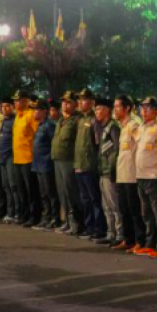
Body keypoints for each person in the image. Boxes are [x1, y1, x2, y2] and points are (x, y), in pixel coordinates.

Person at [135, 97, 157, 258]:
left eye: (148, 108)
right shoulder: (141, 128)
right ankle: (150, 243)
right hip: (140, 175)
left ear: (156, 111)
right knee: (146, 213)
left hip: (154, 176)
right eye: (143, 108)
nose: (144, 111)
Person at [113, 95, 146, 252]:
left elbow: (141, 147)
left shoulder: (134, 125)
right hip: (122, 174)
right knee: (124, 209)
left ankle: (140, 241)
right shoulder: (123, 126)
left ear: (127, 108)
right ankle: (128, 239)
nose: (115, 110)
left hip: (132, 175)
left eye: (117, 107)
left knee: (134, 210)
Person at [74, 88, 106, 240]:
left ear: (92, 102)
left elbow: (99, 144)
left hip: (90, 165)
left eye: (84, 100)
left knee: (94, 199)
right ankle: (89, 227)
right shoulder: (81, 120)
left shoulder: (95, 120)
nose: (80, 102)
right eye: (79, 100)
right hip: (79, 165)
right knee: (85, 199)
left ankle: (98, 228)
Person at [52, 91, 84, 235]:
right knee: (62, 193)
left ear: (75, 104)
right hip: (58, 159)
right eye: (63, 102)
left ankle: (76, 223)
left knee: (71, 193)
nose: (65, 104)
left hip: (69, 160)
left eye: (68, 102)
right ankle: (67, 222)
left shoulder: (77, 120)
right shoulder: (61, 120)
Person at [95, 98, 123, 246]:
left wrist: (112, 170)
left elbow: (116, 150)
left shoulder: (113, 127)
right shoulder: (103, 127)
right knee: (106, 206)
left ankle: (119, 235)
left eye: (99, 109)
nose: (96, 112)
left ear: (107, 110)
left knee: (114, 205)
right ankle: (110, 233)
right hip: (103, 171)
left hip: (110, 172)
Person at [11, 90, 41, 227]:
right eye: (15, 100)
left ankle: (34, 216)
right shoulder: (18, 116)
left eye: (18, 100)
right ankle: (24, 215)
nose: (15, 103)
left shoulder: (30, 115)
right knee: (21, 190)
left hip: (28, 158)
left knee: (31, 190)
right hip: (17, 158)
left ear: (25, 101)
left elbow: (37, 134)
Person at [31, 99, 60, 231]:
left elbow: (53, 144)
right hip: (38, 164)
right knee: (43, 193)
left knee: (51, 193)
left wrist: (49, 160)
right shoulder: (40, 125)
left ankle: (55, 218)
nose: (34, 112)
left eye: (37, 109)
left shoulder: (49, 125)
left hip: (47, 164)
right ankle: (46, 217)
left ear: (44, 111)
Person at [0, 98, 19, 224]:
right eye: (3, 106)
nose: (4, 109)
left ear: (12, 107)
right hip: (3, 157)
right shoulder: (4, 121)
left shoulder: (14, 120)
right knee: (6, 186)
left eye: (7, 106)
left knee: (13, 186)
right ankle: (10, 212)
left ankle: (17, 213)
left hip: (11, 156)